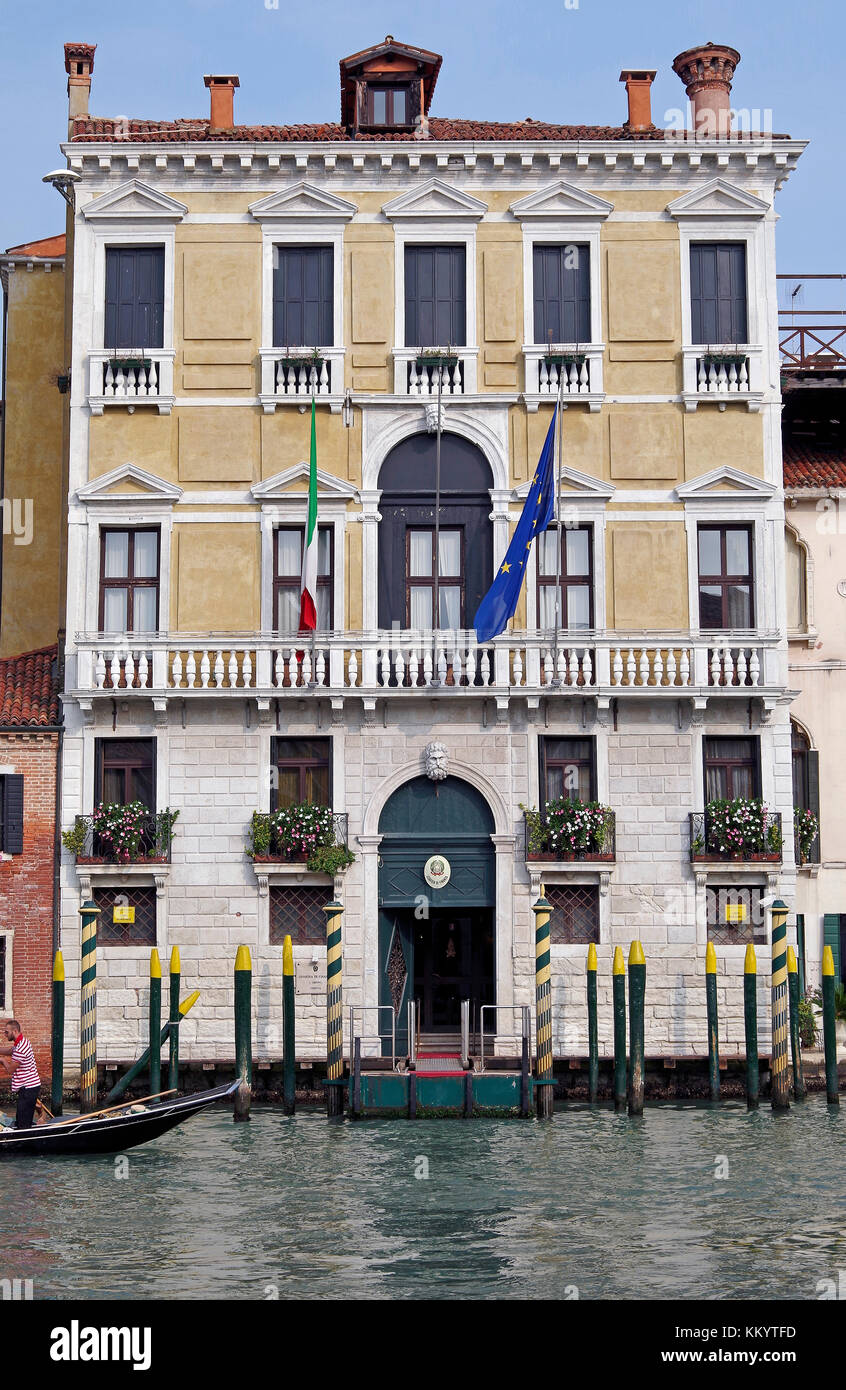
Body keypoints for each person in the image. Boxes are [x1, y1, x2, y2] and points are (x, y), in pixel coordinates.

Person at [0, 1020, 42, 1130]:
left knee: (23, 1124)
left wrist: (2, 1060)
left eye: (6, 1032)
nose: (5, 1035)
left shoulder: (21, 1048)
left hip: (29, 1088)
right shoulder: (22, 1042)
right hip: (27, 1087)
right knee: (20, 1119)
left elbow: (10, 1070)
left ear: (14, 1031)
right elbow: (10, 1050)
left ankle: (26, 1141)